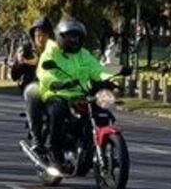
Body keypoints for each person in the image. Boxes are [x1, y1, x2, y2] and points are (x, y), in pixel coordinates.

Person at [36, 19, 115, 163]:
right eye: (71, 36)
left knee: (103, 109)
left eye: (77, 37)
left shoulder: (84, 54)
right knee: (57, 112)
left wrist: (110, 79)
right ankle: (53, 148)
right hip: (58, 94)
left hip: (82, 94)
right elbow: (44, 73)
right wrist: (56, 83)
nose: (74, 40)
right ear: (61, 36)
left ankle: (92, 145)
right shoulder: (51, 52)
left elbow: (97, 70)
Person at [16, 17, 54, 158]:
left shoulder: (56, 50)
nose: (41, 38)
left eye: (44, 34)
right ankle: (38, 142)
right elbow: (15, 74)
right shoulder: (27, 50)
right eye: (37, 35)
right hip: (35, 87)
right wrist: (20, 62)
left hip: (57, 87)